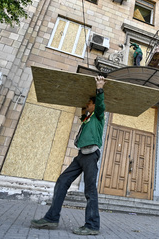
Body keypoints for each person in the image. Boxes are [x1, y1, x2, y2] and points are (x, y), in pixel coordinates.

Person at [31, 76, 106, 236]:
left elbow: (100, 105)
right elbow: (83, 113)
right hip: (81, 156)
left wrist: (99, 88)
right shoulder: (87, 119)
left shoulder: (98, 117)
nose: (87, 105)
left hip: (91, 154)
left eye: (89, 103)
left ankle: (92, 225)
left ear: (94, 105)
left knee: (90, 190)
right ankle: (51, 218)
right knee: (63, 180)